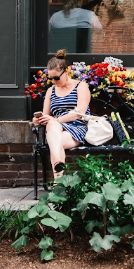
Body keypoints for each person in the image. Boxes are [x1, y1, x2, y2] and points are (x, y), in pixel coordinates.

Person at [32, 49, 91, 179]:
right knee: (54, 133)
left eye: (56, 78)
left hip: (77, 128)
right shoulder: (50, 91)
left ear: (66, 71)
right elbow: (46, 115)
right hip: (56, 130)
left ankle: (58, 185)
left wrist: (56, 120)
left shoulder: (81, 86)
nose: (54, 81)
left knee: (54, 140)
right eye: (51, 78)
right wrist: (38, 120)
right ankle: (58, 169)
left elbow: (79, 112)